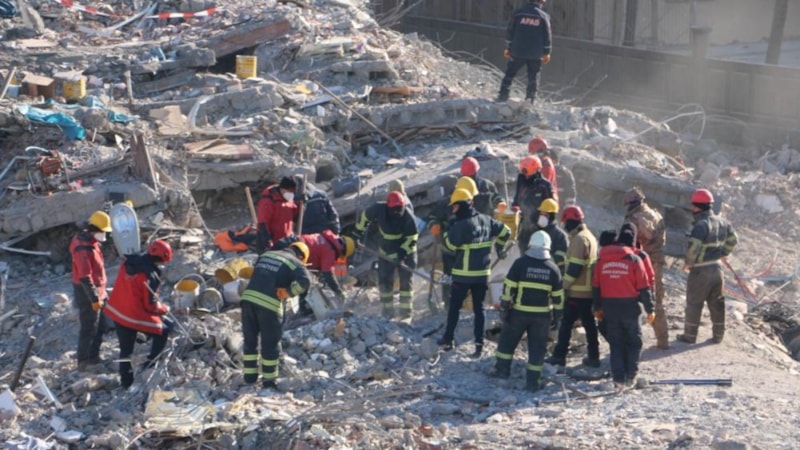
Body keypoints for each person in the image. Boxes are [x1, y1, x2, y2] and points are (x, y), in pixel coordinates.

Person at [438, 188, 510, 357]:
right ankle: (479, 345)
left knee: (454, 308)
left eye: (455, 207)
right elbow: (506, 231)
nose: (453, 210)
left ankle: (448, 339)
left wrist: (447, 230)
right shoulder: (486, 220)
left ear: (461, 205)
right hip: (482, 275)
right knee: (480, 310)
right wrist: (499, 247)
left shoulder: (461, 225)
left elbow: (449, 246)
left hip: (462, 276)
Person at [493, 231, 563, 392]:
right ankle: (532, 384)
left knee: (507, 343)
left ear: (531, 244)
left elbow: (509, 286)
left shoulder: (520, 263)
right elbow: (558, 296)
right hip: (541, 317)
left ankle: (501, 374)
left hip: (519, 313)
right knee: (537, 350)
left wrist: (504, 307)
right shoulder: (553, 268)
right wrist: (557, 316)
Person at [103, 240, 174, 389]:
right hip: (133, 315)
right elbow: (150, 305)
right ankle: (151, 363)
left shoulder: (129, 262)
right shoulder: (150, 276)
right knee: (164, 330)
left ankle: (126, 383)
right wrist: (163, 309)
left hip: (116, 311)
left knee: (125, 351)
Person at [240, 242, 312, 389]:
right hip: (269, 304)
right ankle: (269, 382)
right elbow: (306, 281)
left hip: (248, 300)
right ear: (301, 256)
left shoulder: (266, 255)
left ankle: (249, 378)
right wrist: (288, 292)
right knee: (269, 344)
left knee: (250, 341)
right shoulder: (294, 262)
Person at [593, 225, 654, 388]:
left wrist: (597, 308)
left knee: (616, 343)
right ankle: (631, 376)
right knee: (635, 342)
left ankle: (618, 379)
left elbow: (596, 287)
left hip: (609, 307)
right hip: (629, 307)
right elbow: (644, 287)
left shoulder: (601, 261)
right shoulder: (634, 260)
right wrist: (650, 309)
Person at [679, 189, 738, 344]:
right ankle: (718, 336)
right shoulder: (723, 221)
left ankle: (690, 336)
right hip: (718, 270)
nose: (692, 209)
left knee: (694, 303)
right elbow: (734, 240)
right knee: (717, 303)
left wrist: (688, 263)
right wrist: (723, 252)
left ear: (699, 207)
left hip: (701, 271)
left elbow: (693, 248)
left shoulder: (700, 225)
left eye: (693, 206)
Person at [546, 205, 599, 368]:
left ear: (570, 221)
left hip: (577, 292)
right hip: (588, 291)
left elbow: (574, 269)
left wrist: (563, 286)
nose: (565, 227)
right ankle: (594, 356)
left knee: (565, 324)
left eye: (566, 223)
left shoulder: (578, 240)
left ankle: (559, 356)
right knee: (589, 324)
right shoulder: (590, 236)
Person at [353, 191, 419, 319]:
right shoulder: (378, 209)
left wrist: (401, 254)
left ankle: (405, 314)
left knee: (405, 282)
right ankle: (387, 312)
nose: (397, 212)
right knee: (385, 281)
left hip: (406, 253)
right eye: (394, 209)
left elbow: (412, 238)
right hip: (386, 252)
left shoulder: (408, 217)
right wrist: (357, 233)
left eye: (400, 208)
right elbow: (365, 217)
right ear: (388, 207)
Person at [624, 187, 668, 349]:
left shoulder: (636, 219)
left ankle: (630, 341)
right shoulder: (655, 213)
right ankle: (663, 340)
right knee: (657, 301)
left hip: (642, 262)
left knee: (632, 300)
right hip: (656, 260)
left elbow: (635, 241)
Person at [428, 176, 479, 310]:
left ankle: (467, 303)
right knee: (449, 277)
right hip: (449, 251)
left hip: (468, 250)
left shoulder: (472, 205)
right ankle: (448, 302)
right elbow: (432, 216)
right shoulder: (445, 205)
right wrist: (434, 224)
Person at [274, 231, 356, 316]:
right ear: (343, 250)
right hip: (294, 252)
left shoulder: (327, 239)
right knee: (301, 281)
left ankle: (301, 308)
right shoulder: (330, 250)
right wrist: (338, 292)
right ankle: (286, 310)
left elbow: (315, 255)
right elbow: (328, 274)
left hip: (288, 243)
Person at [70, 210, 112, 372]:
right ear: (96, 229)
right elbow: (85, 277)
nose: (105, 235)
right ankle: (84, 361)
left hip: (98, 290)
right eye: (104, 231)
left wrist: (101, 294)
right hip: (87, 292)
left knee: (100, 326)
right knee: (89, 327)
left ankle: (94, 356)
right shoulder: (83, 249)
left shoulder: (91, 242)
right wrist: (94, 299)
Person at [496, 0, 551, 103]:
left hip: (517, 51)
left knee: (510, 73)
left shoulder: (518, 13)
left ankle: (503, 96)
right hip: (535, 53)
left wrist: (508, 47)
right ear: (542, 2)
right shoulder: (543, 16)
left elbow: (510, 31)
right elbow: (547, 36)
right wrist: (547, 52)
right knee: (533, 76)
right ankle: (530, 100)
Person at [513, 155, 555, 253]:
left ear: (537, 170)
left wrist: (545, 217)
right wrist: (515, 206)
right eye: (524, 173)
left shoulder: (545, 186)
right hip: (524, 225)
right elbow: (516, 199)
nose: (526, 176)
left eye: (528, 174)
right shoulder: (522, 181)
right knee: (523, 250)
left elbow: (552, 207)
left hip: (539, 227)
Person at [256, 176, 298, 252]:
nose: (291, 194)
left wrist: (302, 204)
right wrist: (268, 241)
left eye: (293, 192)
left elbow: (295, 216)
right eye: (289, 191)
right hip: (272, 242)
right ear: (282, 188)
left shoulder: (288, 199)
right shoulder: (268, 201)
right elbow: (263, 223)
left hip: (286, 240)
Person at [535, 198, 568, 274]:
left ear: (552, 216)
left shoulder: (560, 236)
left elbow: (561, 259)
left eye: (545, 214)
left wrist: (544, 260)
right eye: (541, 214)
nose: (542, 217)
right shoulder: (536, 232)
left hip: (551, 273)